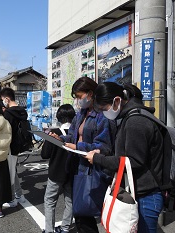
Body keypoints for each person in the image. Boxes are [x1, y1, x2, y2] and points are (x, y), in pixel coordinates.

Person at [85, 82, 164, 233]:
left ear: (117, 100)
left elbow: (133, 162)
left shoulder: (136, 121)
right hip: (140, 192)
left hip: (145, 195)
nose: (103, 113)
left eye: (104, 109)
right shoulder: (130, 117)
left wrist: (98, 159)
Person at [50, 77, 116, 233]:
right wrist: (60, 138)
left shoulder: (103, 115)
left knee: (84, 212)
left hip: (91, 169)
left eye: (79, 96)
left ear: (90, 94)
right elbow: (72, 135)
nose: (78, 101)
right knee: (79, 213)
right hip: (76, 166)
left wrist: (78, 146)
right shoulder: (81, 114)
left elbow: (104, 147)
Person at [41, 104, 75, 233]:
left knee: (50, 200)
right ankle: (65, 227)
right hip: (71, 173)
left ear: (59, 118)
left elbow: (45, 154)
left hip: (56, 172)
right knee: (70, 201)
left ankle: (49, 230)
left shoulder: (54, 133)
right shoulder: (76, 132)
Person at [0, 87, 27, 207]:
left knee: (10, 171)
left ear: (7, 98)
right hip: (19, 144)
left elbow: (6, 131)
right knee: (13, 170)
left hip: (10, 145)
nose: (3, 102)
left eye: (2, 100)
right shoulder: (22, 111)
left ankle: (12, 199)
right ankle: (19, 195)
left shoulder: (8, 114)